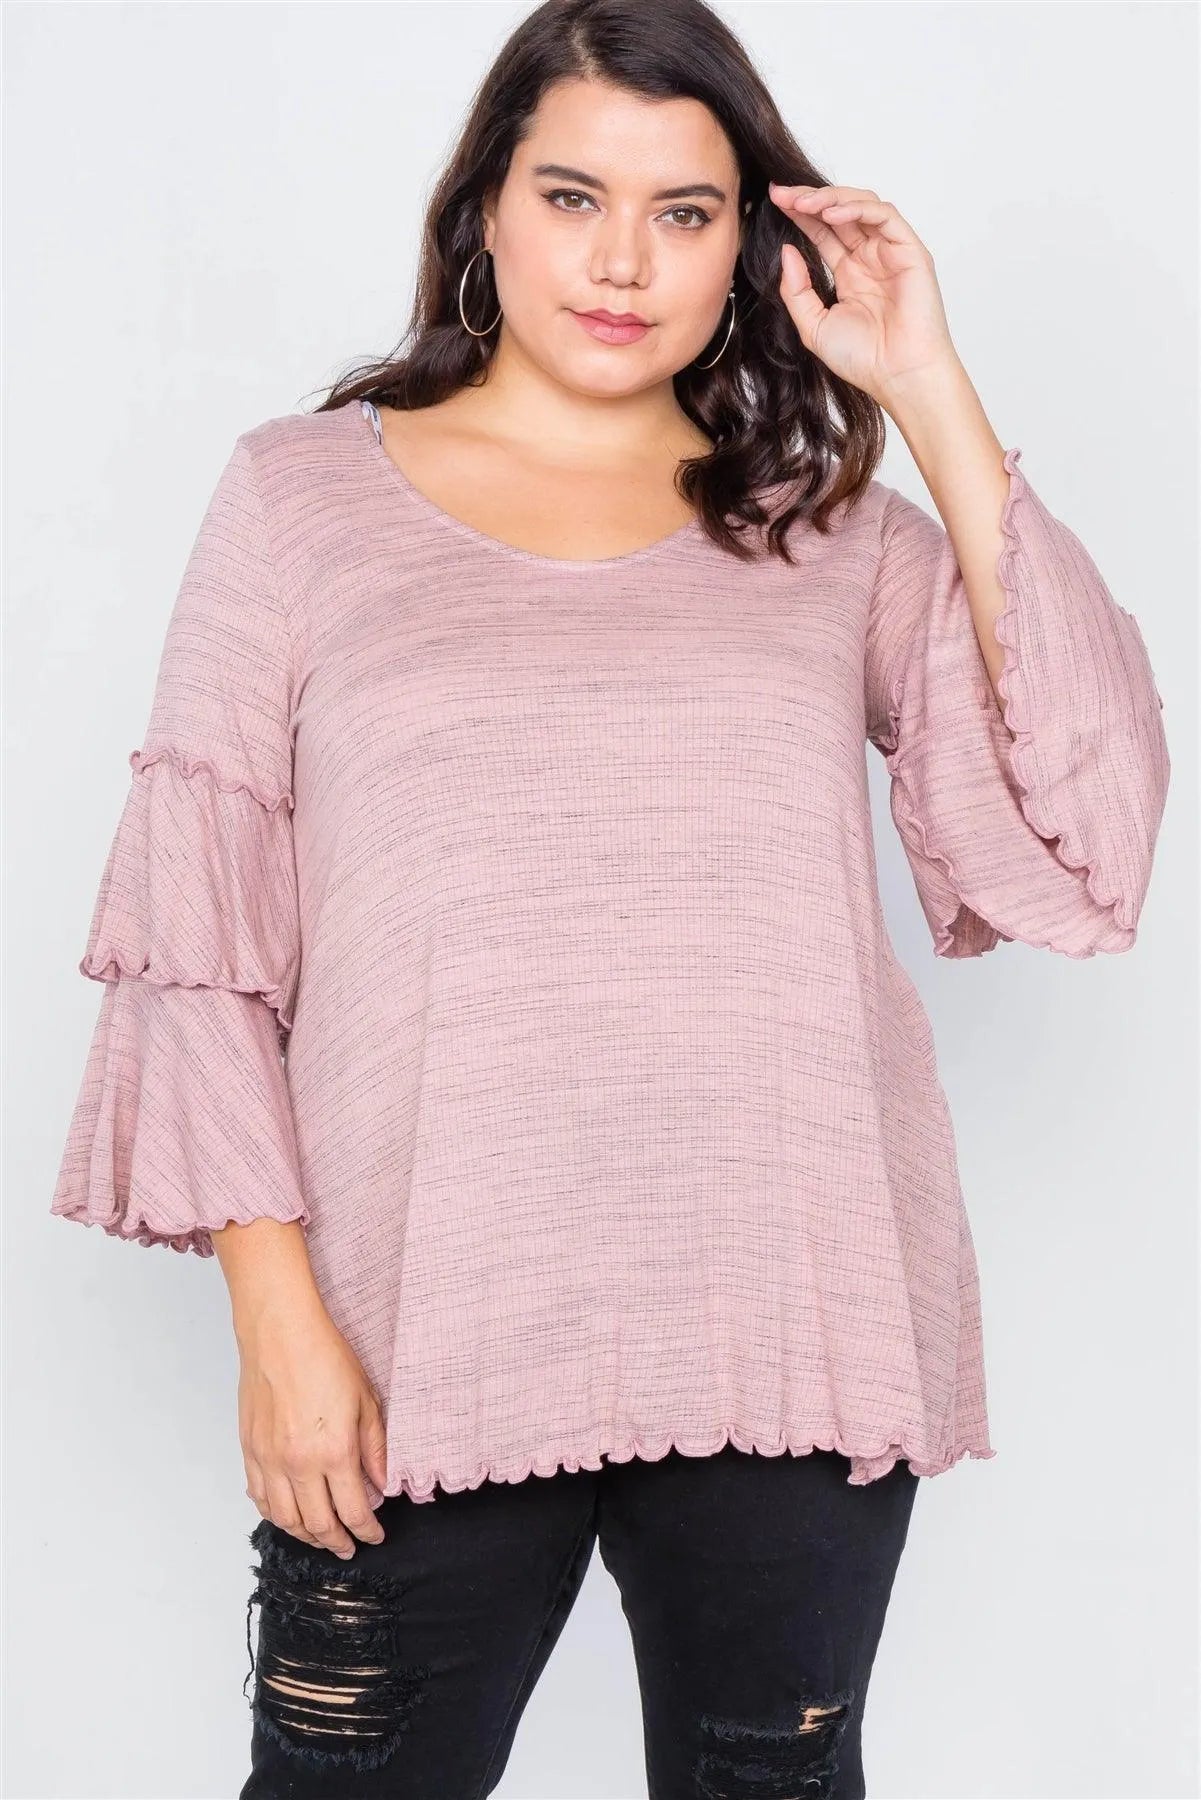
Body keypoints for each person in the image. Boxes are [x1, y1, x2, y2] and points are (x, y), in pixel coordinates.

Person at [48, 1, 1171, 1795]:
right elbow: (198, 942)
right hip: (418, 1325)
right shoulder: (296, 500)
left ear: (750, 247)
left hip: (782, 1311)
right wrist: (274, 1322)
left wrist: (929, 392)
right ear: (485, 209)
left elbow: (1091, 819)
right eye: (572, 197)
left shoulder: (832, 532)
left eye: (684, 212)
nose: (623, 262)